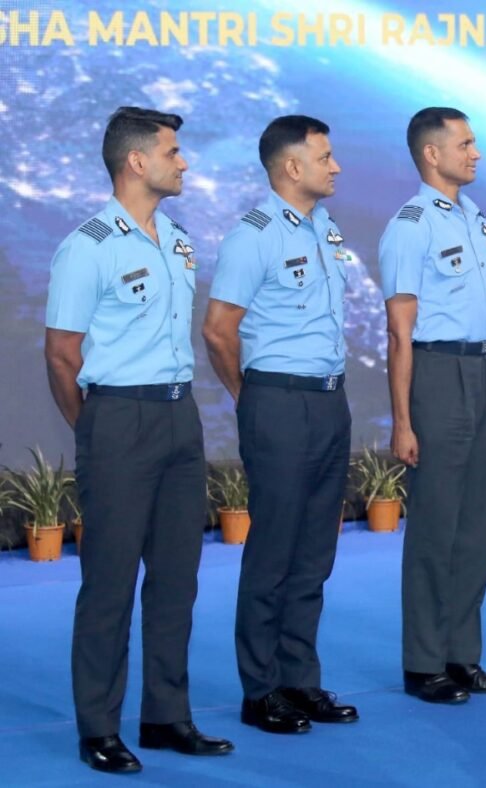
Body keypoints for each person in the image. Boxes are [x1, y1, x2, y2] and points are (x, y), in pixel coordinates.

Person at [45, 106, 234, 773]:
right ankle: (98, 727)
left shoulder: (176, 238)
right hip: (119, 420)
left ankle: (165, 716)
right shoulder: (88, 246)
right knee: (110, 584)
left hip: (180, 420)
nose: (182, 163)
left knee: (177, 579)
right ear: (136, 161)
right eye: (173, 152)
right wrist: (98, 430)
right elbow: (63, 354)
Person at [202, 115, 357, 733]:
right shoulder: (254, 235)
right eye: (325, 156)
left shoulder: (325, 227)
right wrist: (253, 397)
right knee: (273, 552)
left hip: (328, 400)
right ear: (292, 167)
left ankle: (300, 679)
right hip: (278, 401)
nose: (335, 166)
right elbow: (218, 330)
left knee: (315, 551)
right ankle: (260, 689)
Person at [378, 107, 486, 704]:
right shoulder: (411, 225)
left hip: (484, 369)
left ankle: (464, 655)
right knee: (436, 526)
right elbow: (399, 331)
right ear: (432, 154)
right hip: (436, 371)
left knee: (479, 525)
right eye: (465, 143)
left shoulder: (474, 214)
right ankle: (424, 661)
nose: (476, 152)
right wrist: (403, 418)